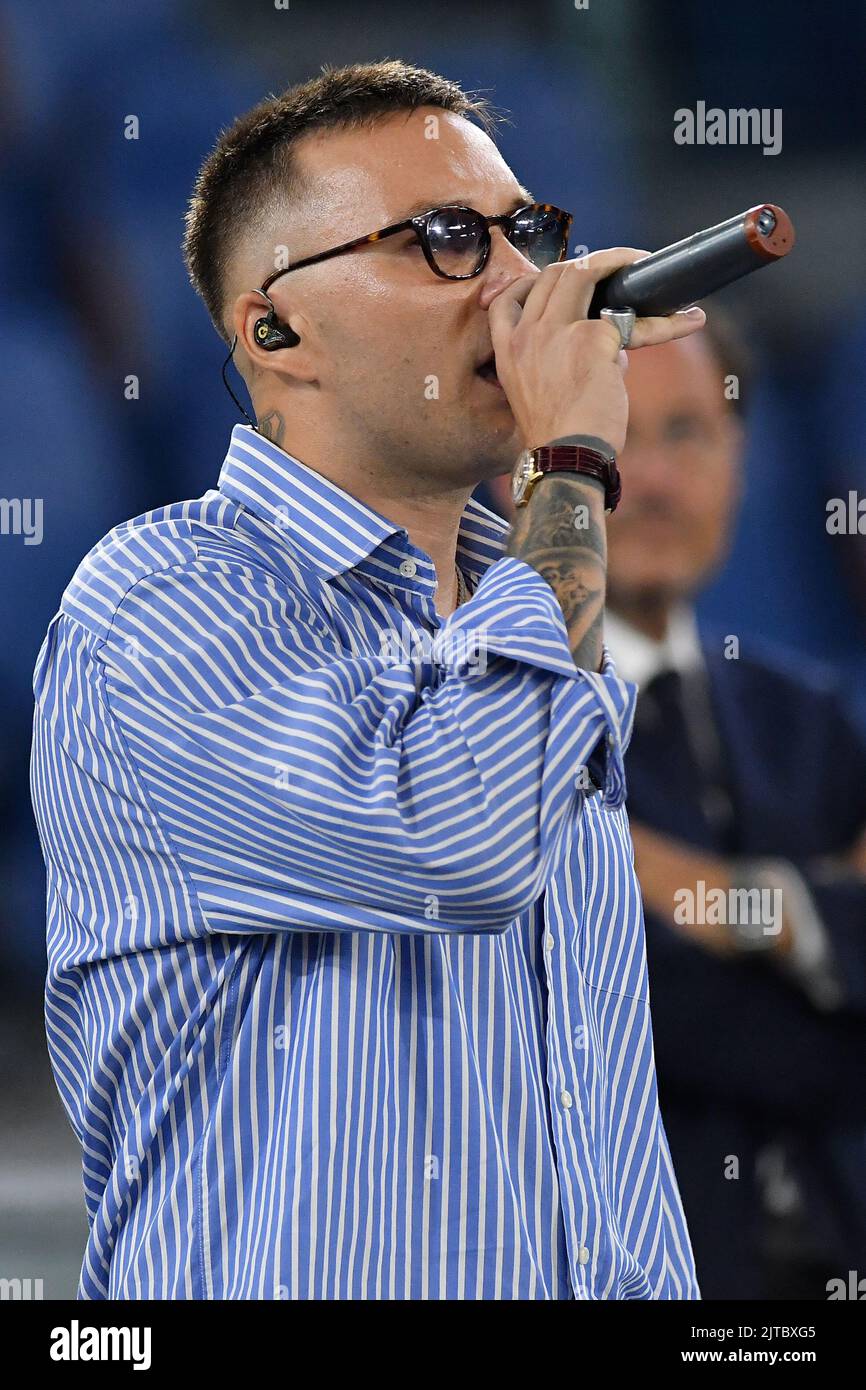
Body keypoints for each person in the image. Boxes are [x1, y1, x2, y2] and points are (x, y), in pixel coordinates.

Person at [30, 60, 706, 1300]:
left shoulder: (540, 596)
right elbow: (456, 841)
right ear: (274, 329)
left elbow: (594, 1123)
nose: (517, 280)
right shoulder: (156, 602)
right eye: (445, 239)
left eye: (527, 231)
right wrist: (569, 454)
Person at [601, 324, 866, 1299]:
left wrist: (705, 896)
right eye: (615, 438)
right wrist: (821, 930)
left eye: (688, 435)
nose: (656, 480)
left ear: (739, 463)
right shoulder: (503, 734)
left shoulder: (807, 718)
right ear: (523, 470)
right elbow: (645, 1011)